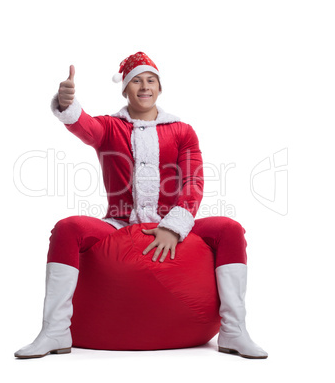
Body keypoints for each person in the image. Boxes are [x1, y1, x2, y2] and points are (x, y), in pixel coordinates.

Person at [14, 52, 268, 359]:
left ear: (160, 88)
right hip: (120, 221)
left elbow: (193, 183)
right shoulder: (110, 127)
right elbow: (85, 126)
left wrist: (174, 227)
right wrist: (68, 104)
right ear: (124, 89)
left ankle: (234, 331)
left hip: (173, 221)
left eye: (150, 81)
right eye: (136, 81)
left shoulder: (182, 131)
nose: (144, 87)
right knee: (68, 229)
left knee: (229, 229)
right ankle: (54, 331)